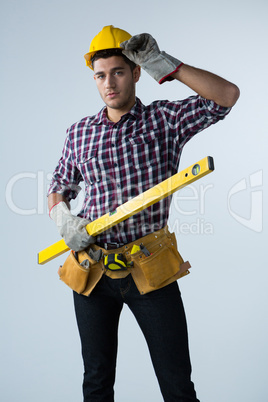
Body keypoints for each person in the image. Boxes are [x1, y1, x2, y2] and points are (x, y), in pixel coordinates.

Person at [47, 25, 239, 402]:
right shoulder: (80, 133)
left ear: (135, 72)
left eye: (118, 72)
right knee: (96, 383)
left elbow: (226, 97)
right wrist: (62, 218)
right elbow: (59, 188)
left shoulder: (164, 121)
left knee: (177, 385)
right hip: (92, 269)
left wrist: (161, 62)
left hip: (149, 267)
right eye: (100, 75)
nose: (109, 84)